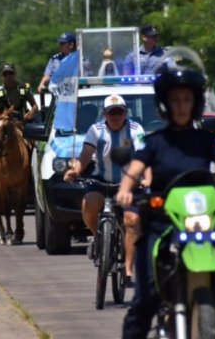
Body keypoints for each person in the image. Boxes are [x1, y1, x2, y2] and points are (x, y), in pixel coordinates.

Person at [115, 60, 215, 339]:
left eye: (187, 99)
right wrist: (126, 189)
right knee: (144, 302)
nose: (181, 105)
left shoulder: (205, 140)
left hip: (206, 227)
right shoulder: (155, 142)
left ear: (196, 102)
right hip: (162, 225)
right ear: (165, 104)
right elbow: (135, 169)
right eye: (175, 100)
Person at [64, 94, 150, 288]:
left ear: (125, 113)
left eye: (119, 112)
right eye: (111, 113)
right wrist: (75, 171)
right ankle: (97, 237)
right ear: (104, 114)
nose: (115, 116)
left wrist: (147, 178)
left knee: (132, 220)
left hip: (129, 184)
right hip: (101, 181)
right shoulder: (95, 130)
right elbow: (85, 155)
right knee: (89, 202)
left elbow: (145, 155)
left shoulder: (136, 130)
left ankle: (128, 270)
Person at [0, 63, 38, 181]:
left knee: (34, 142)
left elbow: (35, 105)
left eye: (10, 73)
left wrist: (31, 112)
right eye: (5, 74)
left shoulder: (23, 88)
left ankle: (33, 170)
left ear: (14, 74)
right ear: (2, 76)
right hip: (2, 122)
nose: (8, 76)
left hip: (20, 121)